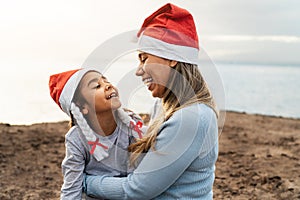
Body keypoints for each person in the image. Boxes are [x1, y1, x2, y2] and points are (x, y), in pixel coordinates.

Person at [84, 3, 219, 200]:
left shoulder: (190, 117)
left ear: (172, 58)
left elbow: (137, 190)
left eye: (144, 58)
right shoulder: (164, 106)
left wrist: (84, 181)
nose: (139, 70)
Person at [49, 68, 146, 199]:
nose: (108, 85)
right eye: (97, 86)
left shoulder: (132, 124)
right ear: (82, 107)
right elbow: (71, 188)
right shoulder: (77, 139)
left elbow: (137, 177)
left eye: (107, 81)